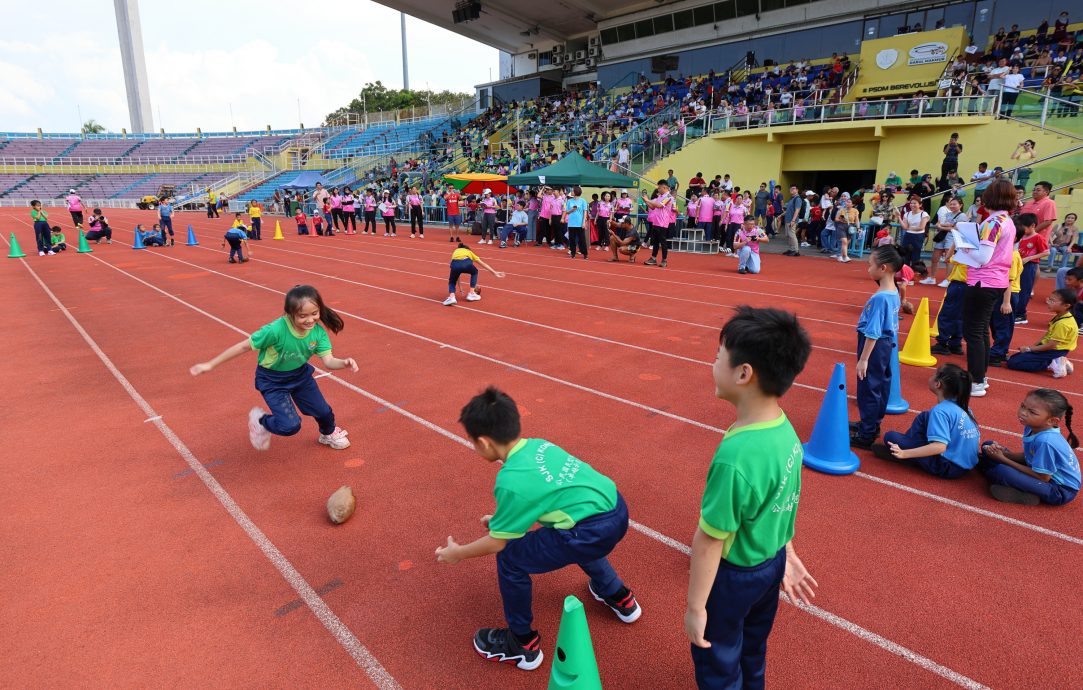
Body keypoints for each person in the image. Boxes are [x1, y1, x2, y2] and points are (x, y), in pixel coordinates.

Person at [436, 387, 641, 672]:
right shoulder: (539, 446)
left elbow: (497, 543)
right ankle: (619, 596)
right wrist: (500, 523)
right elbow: (545, 497)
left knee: (510, 557)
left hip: (590, 531)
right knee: (570, 530)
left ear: (483, 442)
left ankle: (522, 645)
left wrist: (459, 553)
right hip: (616, 509)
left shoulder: (510, 479)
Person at [686, 306, 816, 689]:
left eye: (717, 357)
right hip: (769, 565)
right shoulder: (784, 430)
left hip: (734, 577)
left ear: (744, 374)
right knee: (753, 648)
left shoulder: (736, 458)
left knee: (718, 656)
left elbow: (709, 541)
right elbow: (783, 500)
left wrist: (695, 608)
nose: (712, 363)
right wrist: (786, 554)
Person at [189, 285, 357, 451]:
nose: (310, 320)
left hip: (300, 376)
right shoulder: (275, 330)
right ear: (289, 313)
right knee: (290, 426)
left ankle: (328, 433)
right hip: (272, 380)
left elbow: (328, 361)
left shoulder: (318, 332)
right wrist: (210, 364)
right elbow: (243, 347)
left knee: (323, 411)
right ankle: (261, 421)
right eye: (302, 316)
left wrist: (343, 363)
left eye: (314, 314)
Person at [959, 180, 1018, 397]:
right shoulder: (1008, 221)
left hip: (983, 281)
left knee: (973, 331)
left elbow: (983, 257)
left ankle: (975, 381)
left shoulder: (993, 223)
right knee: (981, 329)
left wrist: (964, 246)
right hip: (997, 281)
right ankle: (980, 377)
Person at [874, 364, 981, 478]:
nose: (931, 376)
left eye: (933, 374)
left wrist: (905, 453)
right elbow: (977, 439)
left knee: (890, 437)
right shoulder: (964, 407)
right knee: (925, 416)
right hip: (968, 462)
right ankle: (911, 443)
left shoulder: (940, 411)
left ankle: (909, 454)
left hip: (948, 467)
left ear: (937, 384)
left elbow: (940, 447)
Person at [978, 388, 1079, 505]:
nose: (1023, 412)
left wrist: (1003, 459)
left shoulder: (1046, 441)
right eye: (1023, 406)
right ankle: (995, 472)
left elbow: (1043, 477)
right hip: (1041, 473)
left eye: (1032, 412)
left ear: (1052, 421)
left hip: (1059, 490)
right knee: (988, 445)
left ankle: (1025, 495)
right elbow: (1030, 457)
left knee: (1001, 471)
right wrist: (1004, 453)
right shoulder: (1032, 426)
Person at [851, 245, 903, 448]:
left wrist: (863, 359)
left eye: (870, 265)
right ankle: (871, 424)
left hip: (874, 345)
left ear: (884, 268)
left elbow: (873, 331)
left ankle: (866, 434)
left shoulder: (880, 298)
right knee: (880, 385)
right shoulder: (893, 291)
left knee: (868, 388)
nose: (868, 269)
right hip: (886, 345)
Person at [1007, 288, 1078, 377]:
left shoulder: (1063, 324)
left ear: (1066, 305)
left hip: (1054, 351)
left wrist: (1029, 349)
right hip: (1051, 349)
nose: (1048, 302)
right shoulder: (1061, 316)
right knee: (1014, 358)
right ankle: (1058, 361)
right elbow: (1047, 335)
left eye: (1052, 301)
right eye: (1049, 299)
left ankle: (1051, 363)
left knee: (1013, 363)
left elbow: (1051, 345)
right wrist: (1032, 347)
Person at [987, 235, 1024, 367]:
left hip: (1007, 294)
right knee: (996, 323)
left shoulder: (1012, 255)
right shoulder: (1006, 253)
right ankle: (999, 350)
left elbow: (1008, 280)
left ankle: (998, 353)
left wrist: (1006, 301)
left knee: (1004, 325)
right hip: (1000, 292)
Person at [1014, 213, 1050, 324]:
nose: (1021, 229)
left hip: (1029, 266)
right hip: (1018, 265)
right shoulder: (1021, 236)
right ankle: (1016, 310)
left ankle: (1021, 315)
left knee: (1024, 290)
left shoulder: (1038, 238)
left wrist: (1030, 258)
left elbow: (1046, 252)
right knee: (1016, 288)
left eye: (1023, 227)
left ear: (1032, 226)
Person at [443, 242, 505, 306]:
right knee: (475, 272)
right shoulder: (469, 251)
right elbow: (483, 264)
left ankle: (452, 297)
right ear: (467, 249)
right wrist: (495, 273)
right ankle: (471, 293)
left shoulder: (455, 252)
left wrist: (460, 288)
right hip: (466, 262)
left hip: (454, 264)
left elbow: (457, 275)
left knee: (452, 281)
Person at [925, 196, 966, 285]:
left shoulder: (962, 215)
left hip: (952, 238)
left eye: (954, 204)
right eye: (951, 204)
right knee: (934, 258)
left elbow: (957, 228)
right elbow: (939, 223)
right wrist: (946, 226)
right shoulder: (948, 214)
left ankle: (948, 280)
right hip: (942, 237)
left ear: (960, 205)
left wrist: (943, 226)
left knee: (949, 259)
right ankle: (932, 278)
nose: (952, 206)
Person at [643, 182, 674, 267]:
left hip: (662, 222)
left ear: (664, 187)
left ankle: (664, 260)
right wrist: (645, 201)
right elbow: (653, 207)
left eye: (659, 188)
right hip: (656, 222)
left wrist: (647, 200)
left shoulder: (668, 197)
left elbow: (660, 206)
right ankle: (653, 258)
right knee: (655, 241)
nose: (658, 189)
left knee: (663, 242)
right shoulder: (659, 196)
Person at [899, 196, 930, 266]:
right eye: (911, 203)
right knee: (905, 255)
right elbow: (904, 227)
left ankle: (914, 273)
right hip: (908, 236)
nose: (912, 205)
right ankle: (905, 274)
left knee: (915, 256)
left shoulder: (924, 214)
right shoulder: (907, 214)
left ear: (920, 205)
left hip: (918, 236)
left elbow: (921, 227)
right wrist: (898, 217)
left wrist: (909, 228)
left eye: (915, 203)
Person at [564, 186, 589, 259]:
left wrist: (583, 222)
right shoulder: (569, 201)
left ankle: (585, 253)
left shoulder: (583, 201)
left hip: (580, 223)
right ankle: (573, 253)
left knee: (582, 239)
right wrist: (572, 210)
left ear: (576, 192)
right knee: (572, 239)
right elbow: (567, 212)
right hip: (571, 223)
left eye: (572, 191)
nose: (571, 192)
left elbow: (585, 212)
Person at [834, 197, 859, 263]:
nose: (847, 203)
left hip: (851, 227)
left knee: (846, 243)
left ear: (852, 204)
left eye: (849, 202)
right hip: (842, 226)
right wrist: (841, 219)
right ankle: (846, 256)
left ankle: (840, 256)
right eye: (847, 202)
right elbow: (836, 219)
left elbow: (856, 220)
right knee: (844, 242)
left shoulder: (855, 211)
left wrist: (858, 228)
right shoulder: (842, 210)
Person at [782, 185, 803, 256]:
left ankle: (796, 250)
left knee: (792, 235)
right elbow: (788, 210)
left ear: (797, 190)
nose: (791, 190)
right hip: (788, 219)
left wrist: (793, 220)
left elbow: (797, 210)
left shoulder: (798, 199)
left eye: (793, 189)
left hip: (792, 220)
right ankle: (791, 249)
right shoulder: (792, 199)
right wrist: (780, 215)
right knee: (788, 235)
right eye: (790, 189)